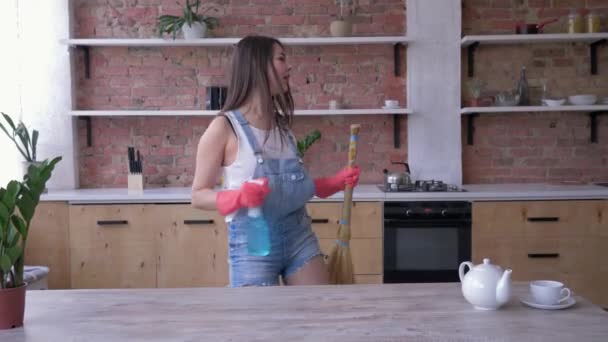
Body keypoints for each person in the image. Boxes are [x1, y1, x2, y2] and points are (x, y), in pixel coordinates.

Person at [191, 35, 360, 287]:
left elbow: (294, 187)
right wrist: (236, 198)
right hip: (254, 243)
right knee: (260, 326)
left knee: (317, 316)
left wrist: (334, 182)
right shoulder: (224, 127)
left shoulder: (282, 127)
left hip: (299, 237)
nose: (288, 66)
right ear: (258, 65)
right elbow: (198, 195)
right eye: (281, 59)